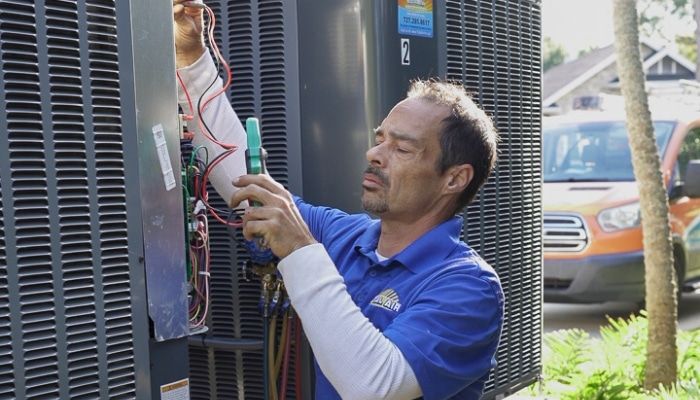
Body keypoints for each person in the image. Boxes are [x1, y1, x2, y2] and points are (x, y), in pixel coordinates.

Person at [174, 2, 504, 399]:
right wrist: (193, 63)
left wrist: (300, 250)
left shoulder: (468, 288)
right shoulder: (347, 235)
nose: (374, 154)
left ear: (454, 178)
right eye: (380, 138)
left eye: (402, 148)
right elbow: (250, 192)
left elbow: (374, 386)